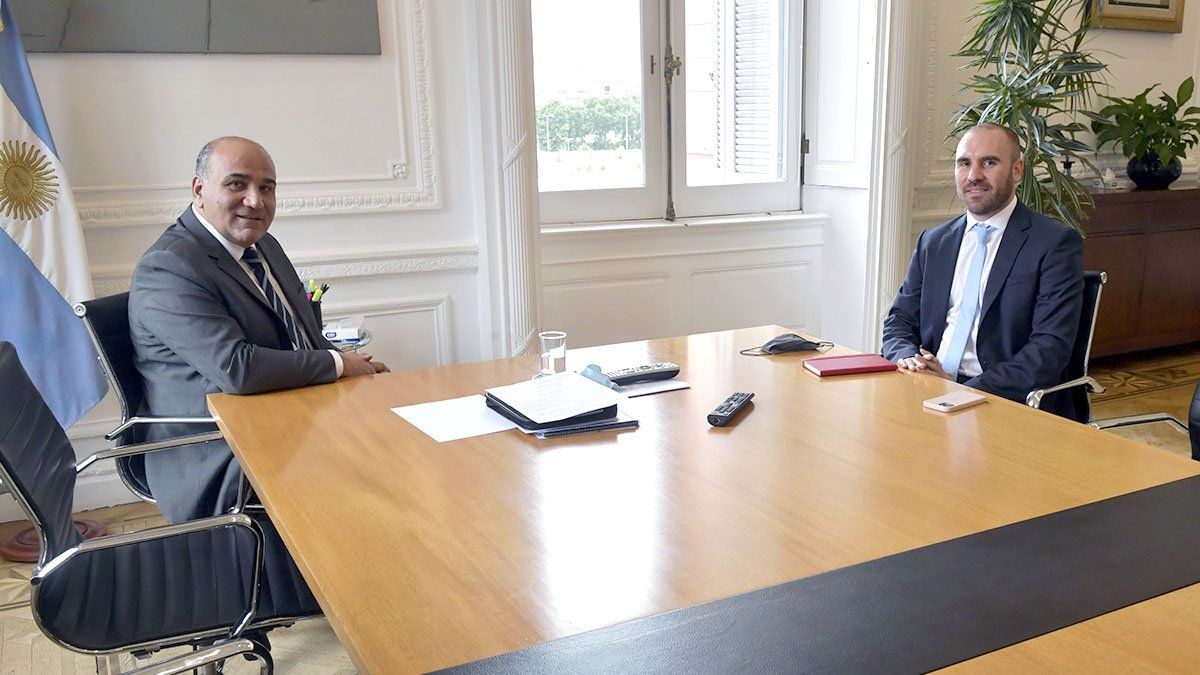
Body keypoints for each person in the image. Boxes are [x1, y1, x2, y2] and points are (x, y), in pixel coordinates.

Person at [130, 136, 389, 523]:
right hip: (219, 452)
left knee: (399, 436)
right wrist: (337, 365)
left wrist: (352, 370)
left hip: (288, 415)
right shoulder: (169, 267)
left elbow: (303, 337)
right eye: (237, 184)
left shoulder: (264, 246)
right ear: (199, 190)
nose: (255, 201)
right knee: (373, 482)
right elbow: (238, 368)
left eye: (267, 188)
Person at [881, 123, 1084, 419]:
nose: (973, 175)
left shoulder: (1053, 243)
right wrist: (910, 360)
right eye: (964, 163)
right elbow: (899, 321)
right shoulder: (934, 242)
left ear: (1017, 170)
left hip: (1003, 401)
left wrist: (961, 391)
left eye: (988, 162)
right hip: (928, 389)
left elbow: (1049, 349)